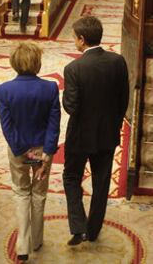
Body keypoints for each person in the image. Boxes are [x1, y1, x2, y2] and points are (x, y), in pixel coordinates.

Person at [62, 16, 129, 246]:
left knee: (71, 178)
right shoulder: (118, 61)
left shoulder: (73, 68)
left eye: (74, 38)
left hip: (79, 136)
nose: (74, 42)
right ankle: (92, 231)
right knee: (101, 183)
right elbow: (123, 101)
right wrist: (114, 124)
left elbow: (71, 107)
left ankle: (78, 226)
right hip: (107, 135)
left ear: (82, 40)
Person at [0, 41, 60, 262]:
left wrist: (20, 150)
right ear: (37, 63)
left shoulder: (3, 90)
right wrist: (47, 153)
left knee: (22, 192)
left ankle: (22, 246)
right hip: (43, 151)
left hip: (18, 151)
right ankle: (37, 240)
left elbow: (7, 126)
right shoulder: (50, 88)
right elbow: (54, 124)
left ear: (14, 63)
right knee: (39, 194)